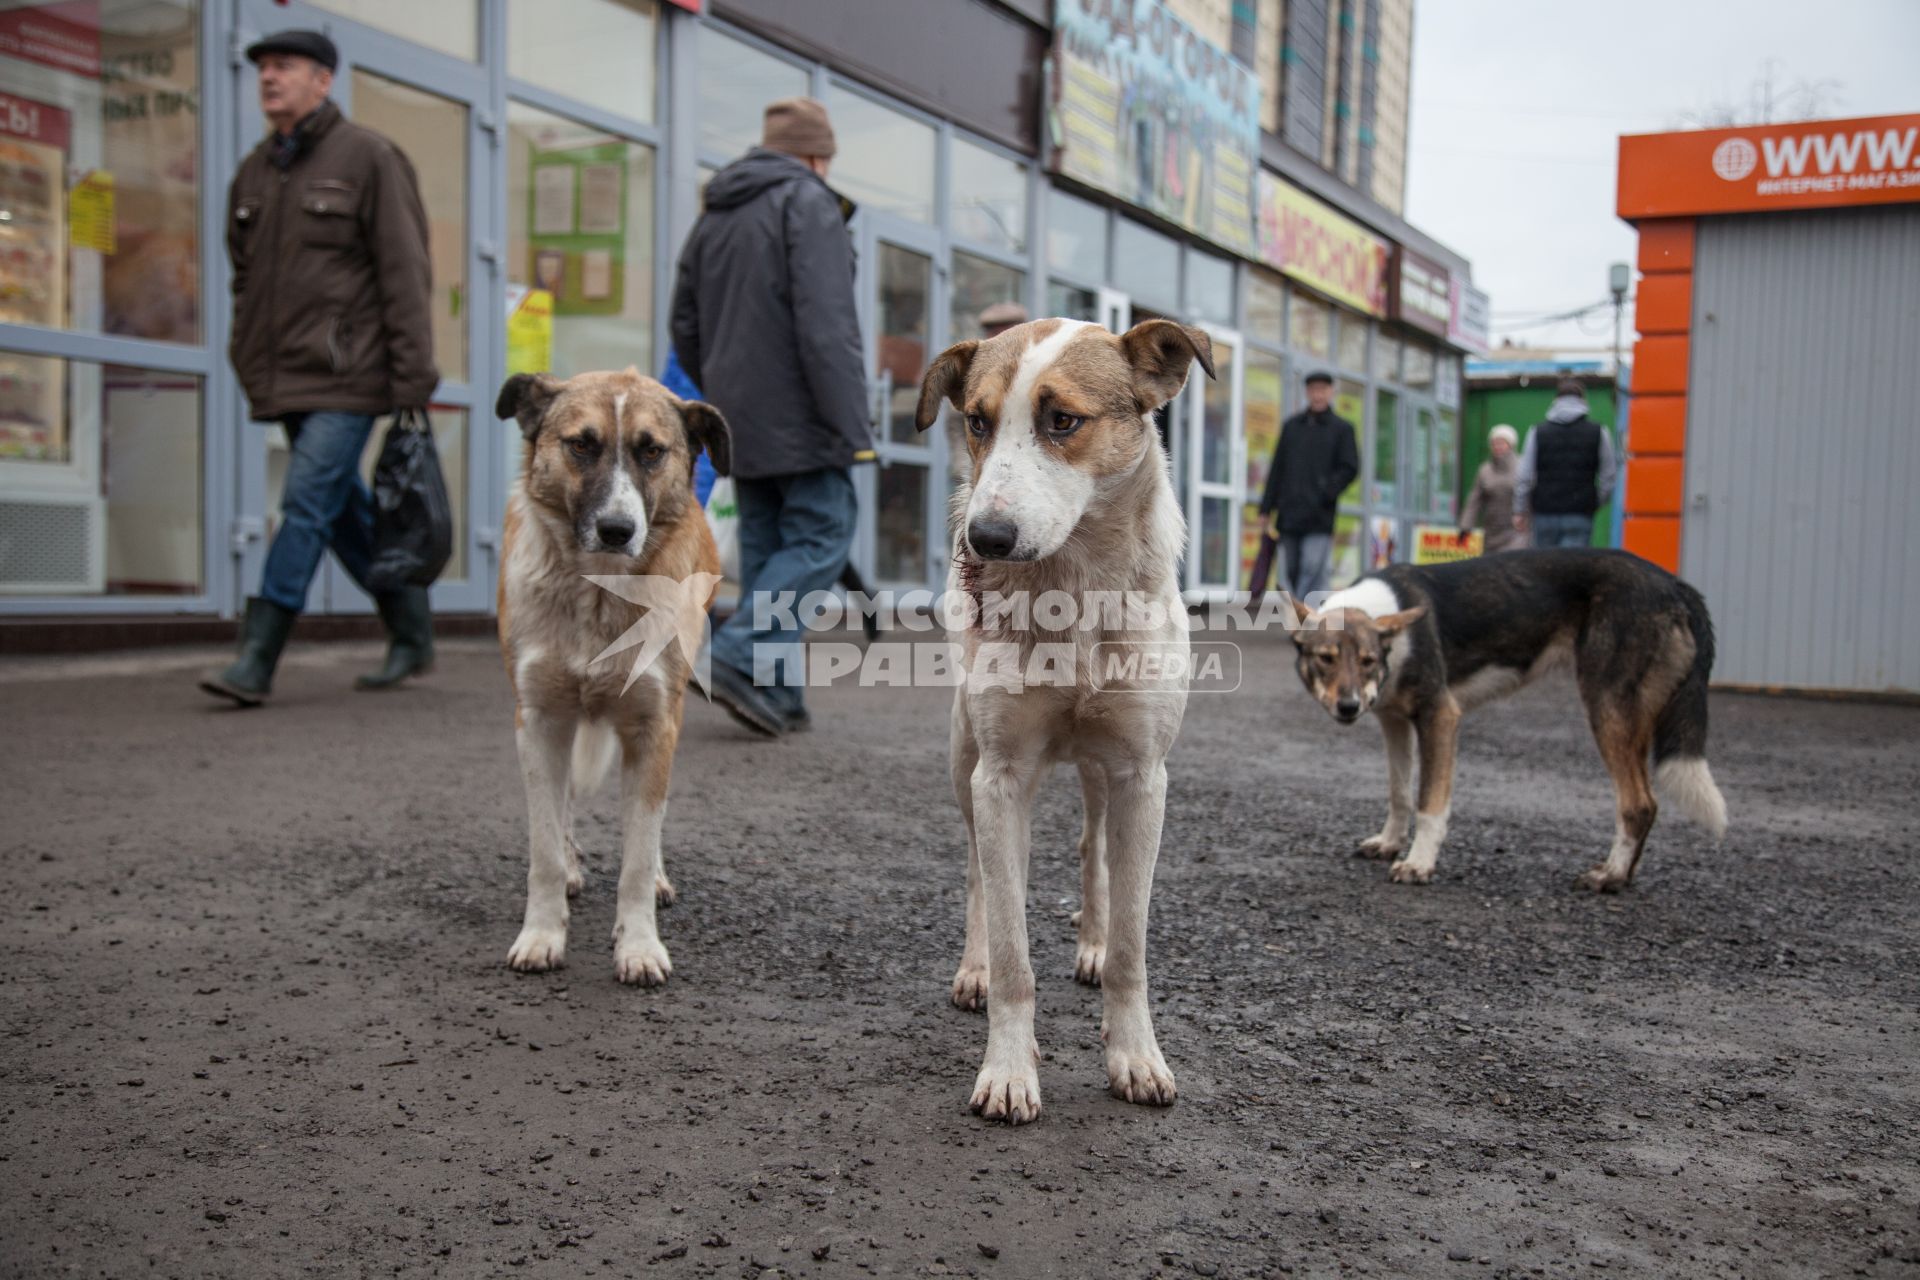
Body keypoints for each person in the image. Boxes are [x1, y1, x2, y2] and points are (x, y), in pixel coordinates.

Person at [201, 29, 438, 708]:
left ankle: (257, 654)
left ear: (323, 80)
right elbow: (244, 281)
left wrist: (412, 377)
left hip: (350, 375)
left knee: (305, 501)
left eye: (285, 67)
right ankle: (412, 630)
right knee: (338, 511)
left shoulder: (368, 158)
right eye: (263, 69)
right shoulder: (253, 172)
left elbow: (404, 273)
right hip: (285, 376)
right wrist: (246, 357)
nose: (269, 78)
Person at [670, 98, 872, 738]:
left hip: (740, 416)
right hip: (807, 413)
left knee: (765, 552)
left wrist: (727, 393)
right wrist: (851, 427)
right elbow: (827, 326)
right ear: (818, 156)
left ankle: (776, 694)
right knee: (823, 534)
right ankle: (734, 654)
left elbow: (686, 324)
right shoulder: (807, 202)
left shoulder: (714, 217)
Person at [1251, 370, 1360, 603]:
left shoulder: (1342, 429)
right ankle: (1308, 613)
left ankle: (1301, 616)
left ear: (1331, 392)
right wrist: (1265, 508)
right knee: (1291, 568)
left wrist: (1326, 492)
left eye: (1322, 389)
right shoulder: (1292, 427)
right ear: (1307, 393)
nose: (1317, 395)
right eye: (1313, 390)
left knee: (1311, 566)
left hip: (1320, 515)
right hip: (1289, 514)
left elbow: (1350, 467)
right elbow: (1277, 469)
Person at [1514, 378, 1616, 549]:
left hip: (1544, 512)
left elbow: (1524, 476)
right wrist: (1594, 502)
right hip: (1580, 512)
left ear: (1556, 401)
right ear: (1583, 401)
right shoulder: (1599, 432)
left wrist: (1519, 509)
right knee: (1572, 571)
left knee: (1544, 568)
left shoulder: (1537, 432)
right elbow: (1609, 476)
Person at [1459, 424, 1527, 553]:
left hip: (1516, 531)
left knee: (1511, 565)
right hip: (1492, 532)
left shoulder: (1523, 467)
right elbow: (1474, 500)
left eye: (1502, 443)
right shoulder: (1485, 470)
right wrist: (1466, 526)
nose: (1497, 447)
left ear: (1511, 445)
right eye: (1494, 443)